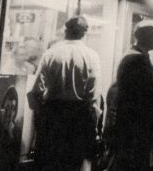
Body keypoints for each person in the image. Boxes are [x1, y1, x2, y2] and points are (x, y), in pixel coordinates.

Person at [28, 16, 101, 171]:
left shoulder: (51, 53)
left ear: (65, 31)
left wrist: (41, 113)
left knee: (50, 163)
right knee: (75, 162)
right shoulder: (92, 56)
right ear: (84, 33)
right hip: (79, 117)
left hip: (53, 115)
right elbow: (93, 95)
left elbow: (36, 91)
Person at [111, 24, 153, 170]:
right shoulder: (139, 59)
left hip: (127, 116)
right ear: (146, 39)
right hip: (137, 120)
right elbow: (151, 89)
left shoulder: (130, 55)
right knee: (136, 160)